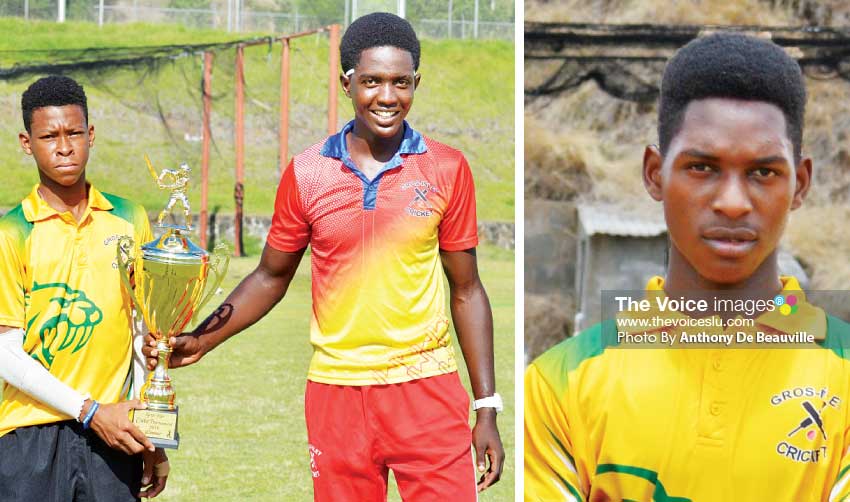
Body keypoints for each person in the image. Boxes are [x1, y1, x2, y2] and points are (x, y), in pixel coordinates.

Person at [143, 12, 504, 501]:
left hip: (428, 390)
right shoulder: (308, 173)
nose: (387, 96)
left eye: (401, 83)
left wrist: (486, 405)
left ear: (416, 83)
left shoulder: (446, 168)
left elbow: (467, 288)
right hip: (336, 393)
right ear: (346, 82)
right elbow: (271, 276)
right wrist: (203, 340)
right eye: (372, 82)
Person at [524, 33, 850, 501]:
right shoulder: (561, 383)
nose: (733, 203)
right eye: (702, 167)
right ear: (656, 174)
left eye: (763, 172)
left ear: (799, 184)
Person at [0, 75, 169, 500]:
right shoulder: (11, 232)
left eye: (74, 132)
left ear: (90, 135)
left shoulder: (129, 218)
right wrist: (88, 410)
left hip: (113, 433)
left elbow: (144, 336)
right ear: (27, 143)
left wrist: (153, 435)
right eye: (48, 135)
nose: (64, 146)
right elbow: (5, 353)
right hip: (29, 433)